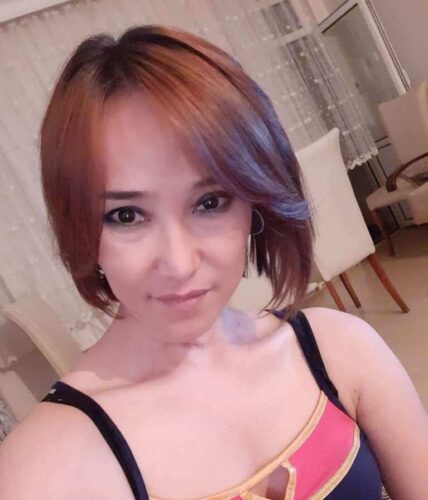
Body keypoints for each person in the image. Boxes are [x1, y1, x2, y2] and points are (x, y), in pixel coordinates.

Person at [0, 25, 426, 500]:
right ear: (80, 225)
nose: (179, 263)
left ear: (255, 202)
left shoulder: (340, 351)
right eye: (126, 215)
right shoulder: (49, 465)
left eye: (210, 203)